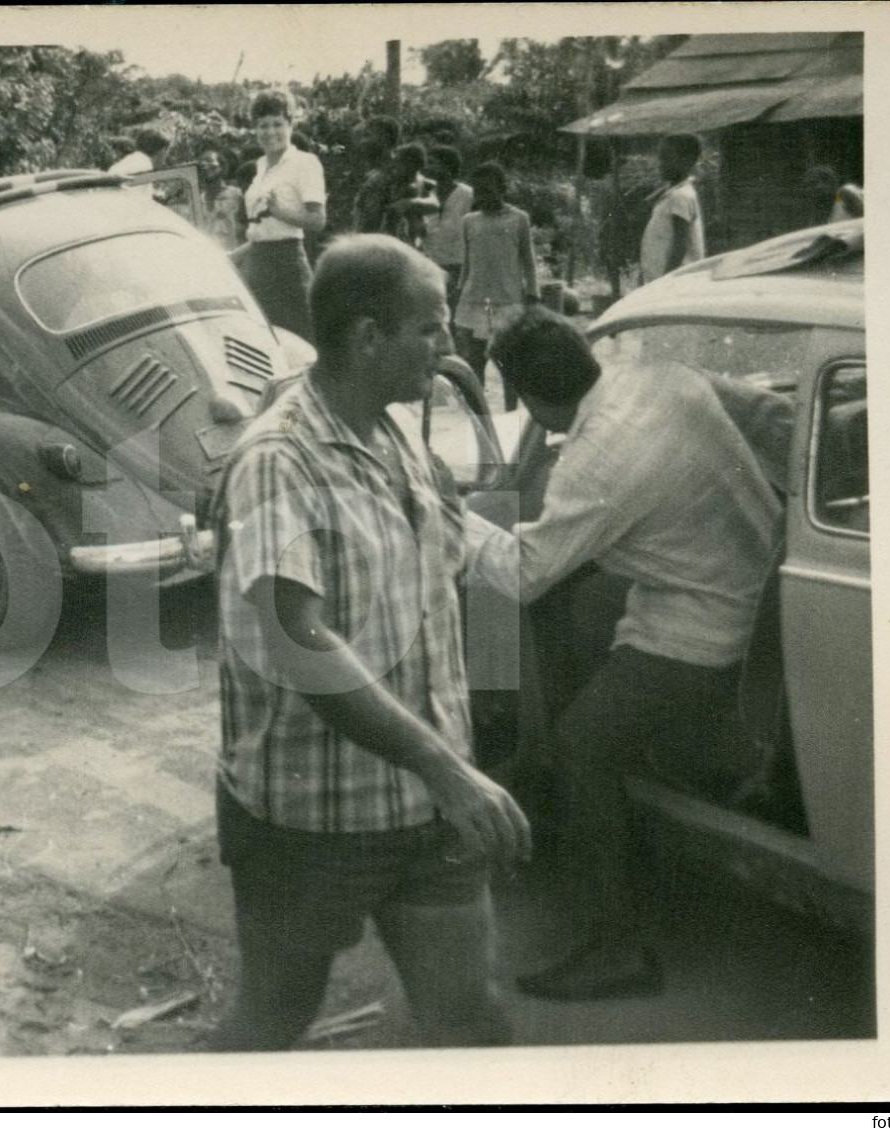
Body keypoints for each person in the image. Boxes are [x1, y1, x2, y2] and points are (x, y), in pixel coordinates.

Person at [208, 234, 531, 1052]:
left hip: (429, 809)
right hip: (315, 815)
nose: (452, 346)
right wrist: (448, 766)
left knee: (466, 1016)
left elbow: (448, 577)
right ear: (365, 336)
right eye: (431, 328)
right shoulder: (281, 458)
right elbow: (298, 639)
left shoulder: (397, 435)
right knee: (274, 1015)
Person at [464, 307, 783, 1002]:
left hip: (707, 625)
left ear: (532, 402)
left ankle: (619, 946)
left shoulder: (594, 457)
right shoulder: (665, 378)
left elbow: (520, 573)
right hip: (761, 579)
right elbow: (767, 419)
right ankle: (657, 785)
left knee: (584, 745)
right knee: (585, 608)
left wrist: (442, 511)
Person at [238, 89, 327, 342]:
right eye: (263, 125)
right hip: (256, 265)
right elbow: (262, 229)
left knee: (303, 344)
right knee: (262, 344)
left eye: (278, 124)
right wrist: (235, 256)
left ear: (290, 124)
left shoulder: (304, 163)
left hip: (287, 266)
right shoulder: (260, 165)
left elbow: (317, 220)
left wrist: (282, 212)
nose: (270, 132)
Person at [454, 162, 539, 407]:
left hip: (506, 300)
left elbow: (528, 260)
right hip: (474, 300)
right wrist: (460, 293)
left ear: (502, 189)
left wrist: (532, 294)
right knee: (474, 362)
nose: (483, 197)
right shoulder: (469, 221)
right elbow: (467, 262)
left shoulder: (518, 218)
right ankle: (480, 418)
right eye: (478, 192)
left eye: (488, 191)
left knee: (507, 361)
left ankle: (511, 414)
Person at [639, 133, 705, 286]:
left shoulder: (680, 196)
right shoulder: (674, 193)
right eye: (660, 158)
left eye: (666, 158)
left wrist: (665, 281)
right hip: (666, 280)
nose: (660, 164)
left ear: (686, 161)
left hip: (675, 282)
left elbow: (679, 246)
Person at [422, 145, 476, 316]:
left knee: (455, 315)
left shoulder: (468, 195)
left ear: (447, 166)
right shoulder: (425, 194)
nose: (427, 168)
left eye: (433, 163)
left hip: (458, 266)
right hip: (429, 265)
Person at [197, 148, 246, 250]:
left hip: (234, 255)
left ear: (221, 166)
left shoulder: (237, 194)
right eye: (201, 162)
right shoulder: (198, 200)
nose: (204, 164)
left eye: (209, 160)